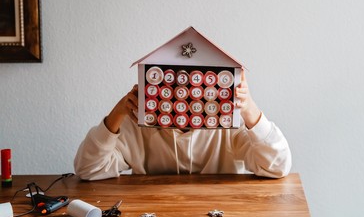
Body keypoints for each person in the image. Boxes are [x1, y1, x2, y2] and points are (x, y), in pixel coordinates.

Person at [74, 71, 291, 180]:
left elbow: (277, 166)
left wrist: (249, 109)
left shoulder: (229, 125)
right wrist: (117, 113)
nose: (185, 98)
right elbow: (87, 169)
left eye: (194, 88)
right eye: (174, 87)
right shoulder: (139, 125)